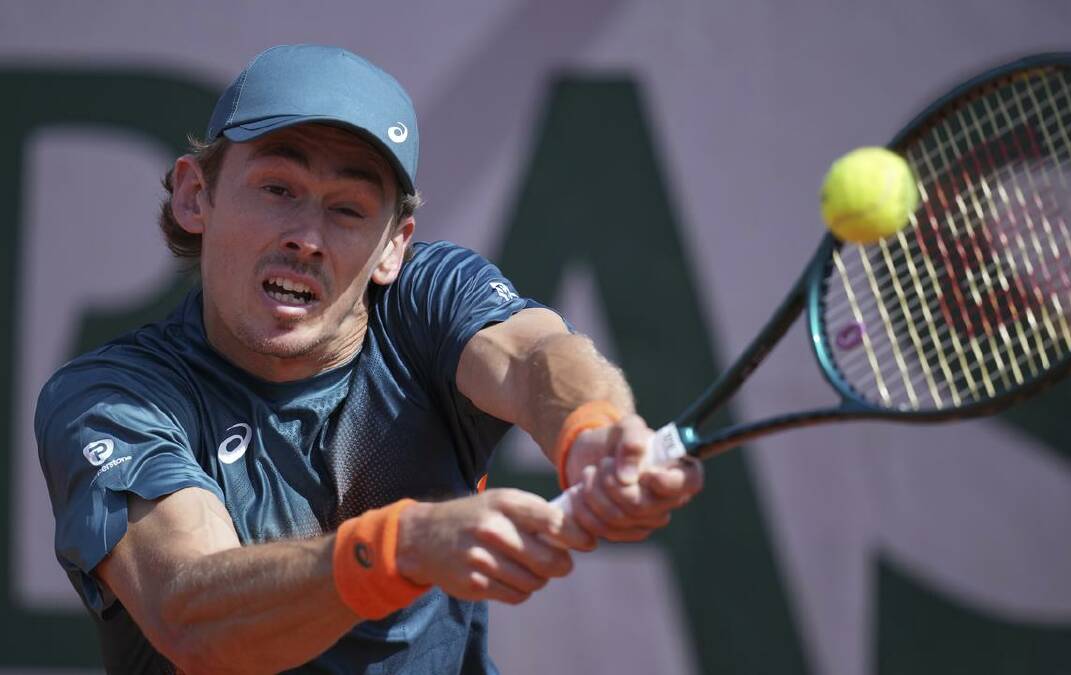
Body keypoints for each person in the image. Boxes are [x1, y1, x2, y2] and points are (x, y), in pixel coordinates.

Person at [36, 44, 703, 674]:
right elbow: (192, 613)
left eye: (348, 209)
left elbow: (535, 356)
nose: (306, 237)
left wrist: (592, 430)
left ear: (394, 246)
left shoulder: (427, 302)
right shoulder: (113, 396)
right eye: (277, 188)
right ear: (194, 196)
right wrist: (399, 547)